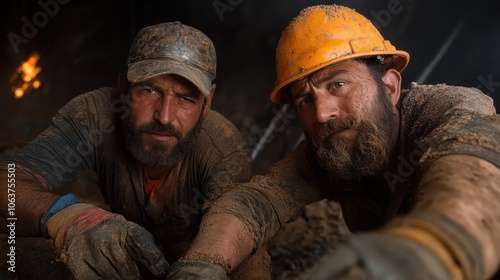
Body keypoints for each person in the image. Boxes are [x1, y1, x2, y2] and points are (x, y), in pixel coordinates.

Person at [166, 5, 500, 279]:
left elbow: (473, 161)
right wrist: (202, 263)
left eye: (338, 84)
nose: (322, 112)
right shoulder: (334, 149)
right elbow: (257, 202)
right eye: (304, 101)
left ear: (390, 87)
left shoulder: (445, 111)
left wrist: (433, 246)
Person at [0, 22, 271, 279]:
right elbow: (8, 182)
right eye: (149, 90)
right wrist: (67, 216)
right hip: (119, 250)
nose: (165, 117)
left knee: (250, 260)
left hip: (192, 252)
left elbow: (235, 226)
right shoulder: (95, 116)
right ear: (123, 88)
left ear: (207, 102)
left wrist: (204, 264)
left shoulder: (222, 148)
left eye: (185, 98)